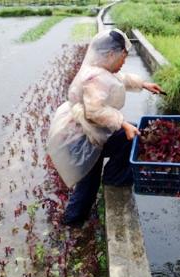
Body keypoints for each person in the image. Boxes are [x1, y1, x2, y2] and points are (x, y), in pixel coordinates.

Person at [47, 29, 163, 227]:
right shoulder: (94, 77)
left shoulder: (101, 68)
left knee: (129, 138)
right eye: (123, 58)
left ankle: (113, 179)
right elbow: (95, 111)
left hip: (89, 132)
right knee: (87, 185)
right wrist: (123, 123)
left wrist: (143, 84)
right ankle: (71, 225)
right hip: (79, 139)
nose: (123, 62)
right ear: (111, 55)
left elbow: (119, 79)